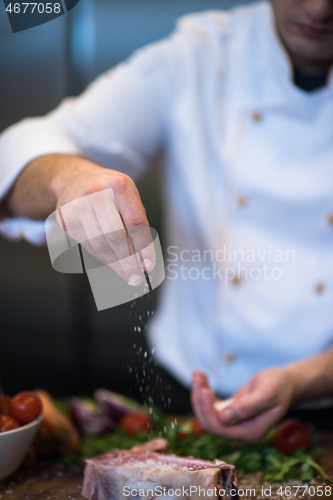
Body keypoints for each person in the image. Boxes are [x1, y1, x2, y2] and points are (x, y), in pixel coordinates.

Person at [1, 0, 333, 442]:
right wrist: (67, 178)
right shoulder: (201, 55)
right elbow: (18, 152)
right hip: (184, 394)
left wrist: (304, 379)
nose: (319, 8)